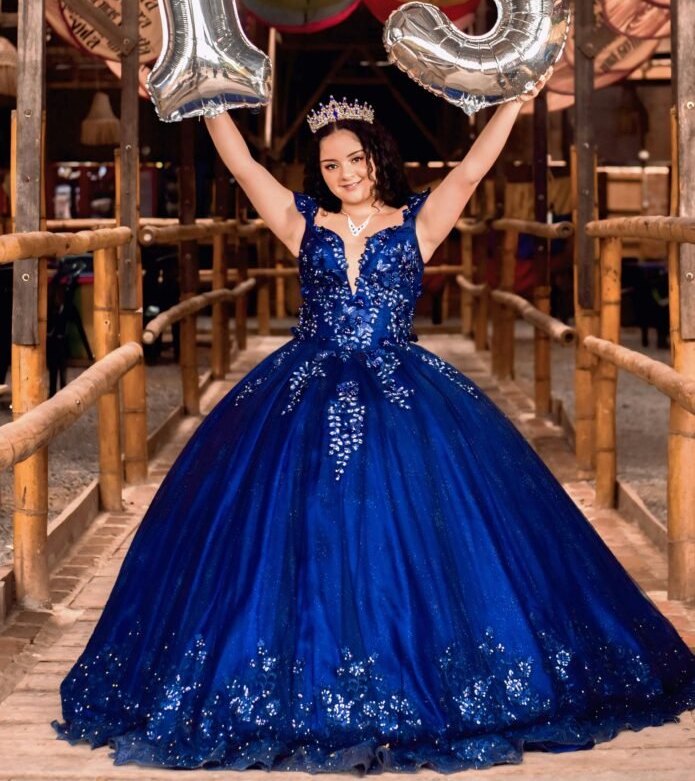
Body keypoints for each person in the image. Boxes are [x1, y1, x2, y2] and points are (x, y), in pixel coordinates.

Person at [53, 94, 695, 772]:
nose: (344, 174)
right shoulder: (302, 222)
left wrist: (515, 105)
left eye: (354, 160)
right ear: (319, 171)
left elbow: (472, 171)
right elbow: (241, 166)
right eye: (330, 165)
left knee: (416, 526)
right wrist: (209, 101)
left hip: (400, 389)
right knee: (296, 525)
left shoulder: (417, 221)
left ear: (375, 159)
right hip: (301, 387)